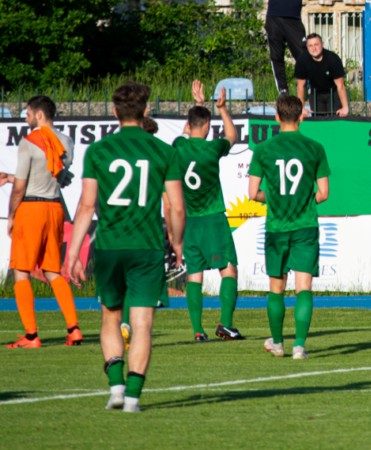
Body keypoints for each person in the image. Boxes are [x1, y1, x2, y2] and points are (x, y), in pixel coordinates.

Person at [65, 83, 186, 411]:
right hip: (146, 246)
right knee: (143, 322)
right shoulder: (164, 151)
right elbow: (176, 207)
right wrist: (176, 242)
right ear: (146, 111)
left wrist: (73, 252)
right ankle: (133, 396)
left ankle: (116, 387)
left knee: (109, 317)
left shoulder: (99, 151)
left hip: (108, 245)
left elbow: (86, 206)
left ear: (115, 112)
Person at [247, 95, 331, 360]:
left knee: (276, 287)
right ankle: (300, 346)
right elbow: (324, 193)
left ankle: (278, 343)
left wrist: (274, 200)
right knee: (303, 288)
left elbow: (252, 193)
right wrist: (304, 201)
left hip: (276, 227)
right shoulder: (315, 147)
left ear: (276, 118)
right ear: (302, 116)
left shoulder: (263, 149)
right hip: (305, 226)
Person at [5, 96, 80, 348]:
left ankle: (31, 335)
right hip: (55, 208)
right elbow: (61, 177)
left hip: (31, 208)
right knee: (52, 271)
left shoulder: (28, 142)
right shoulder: (67, 141)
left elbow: (21, 187)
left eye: (27, 113)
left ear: (39, 115)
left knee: (21, 271)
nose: (25, 118)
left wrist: (12, 215)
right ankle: (74, 329)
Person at [173, 82, 244, 342]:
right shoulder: (213, 148)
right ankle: (225, 324)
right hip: (213, 219)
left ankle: (197, 330)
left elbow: (186, 130)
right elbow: (232, 137)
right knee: (228, 270)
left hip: (190, 222)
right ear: (208, 127)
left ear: (190, 125)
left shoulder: (179, 146)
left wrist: (199, 105)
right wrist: (222, 109)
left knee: (195, 274)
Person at [262, 0, 310, 95]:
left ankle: (308, 85)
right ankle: (283, 89)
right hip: (275, 19)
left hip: (293, 20)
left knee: (303, 54)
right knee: (277, 56)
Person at [295, 34, 349, 117]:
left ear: (322, 44)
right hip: (315, 93)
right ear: (307, 47)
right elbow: (300, 86)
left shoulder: (333, 59)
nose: (314, 48)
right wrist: (301, 108)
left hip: (333, 92)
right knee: (318, 121)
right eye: (310, 45)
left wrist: (345, 107)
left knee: (335, 120)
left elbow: (340, 85)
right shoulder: (302, 60)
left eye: (316, 45)